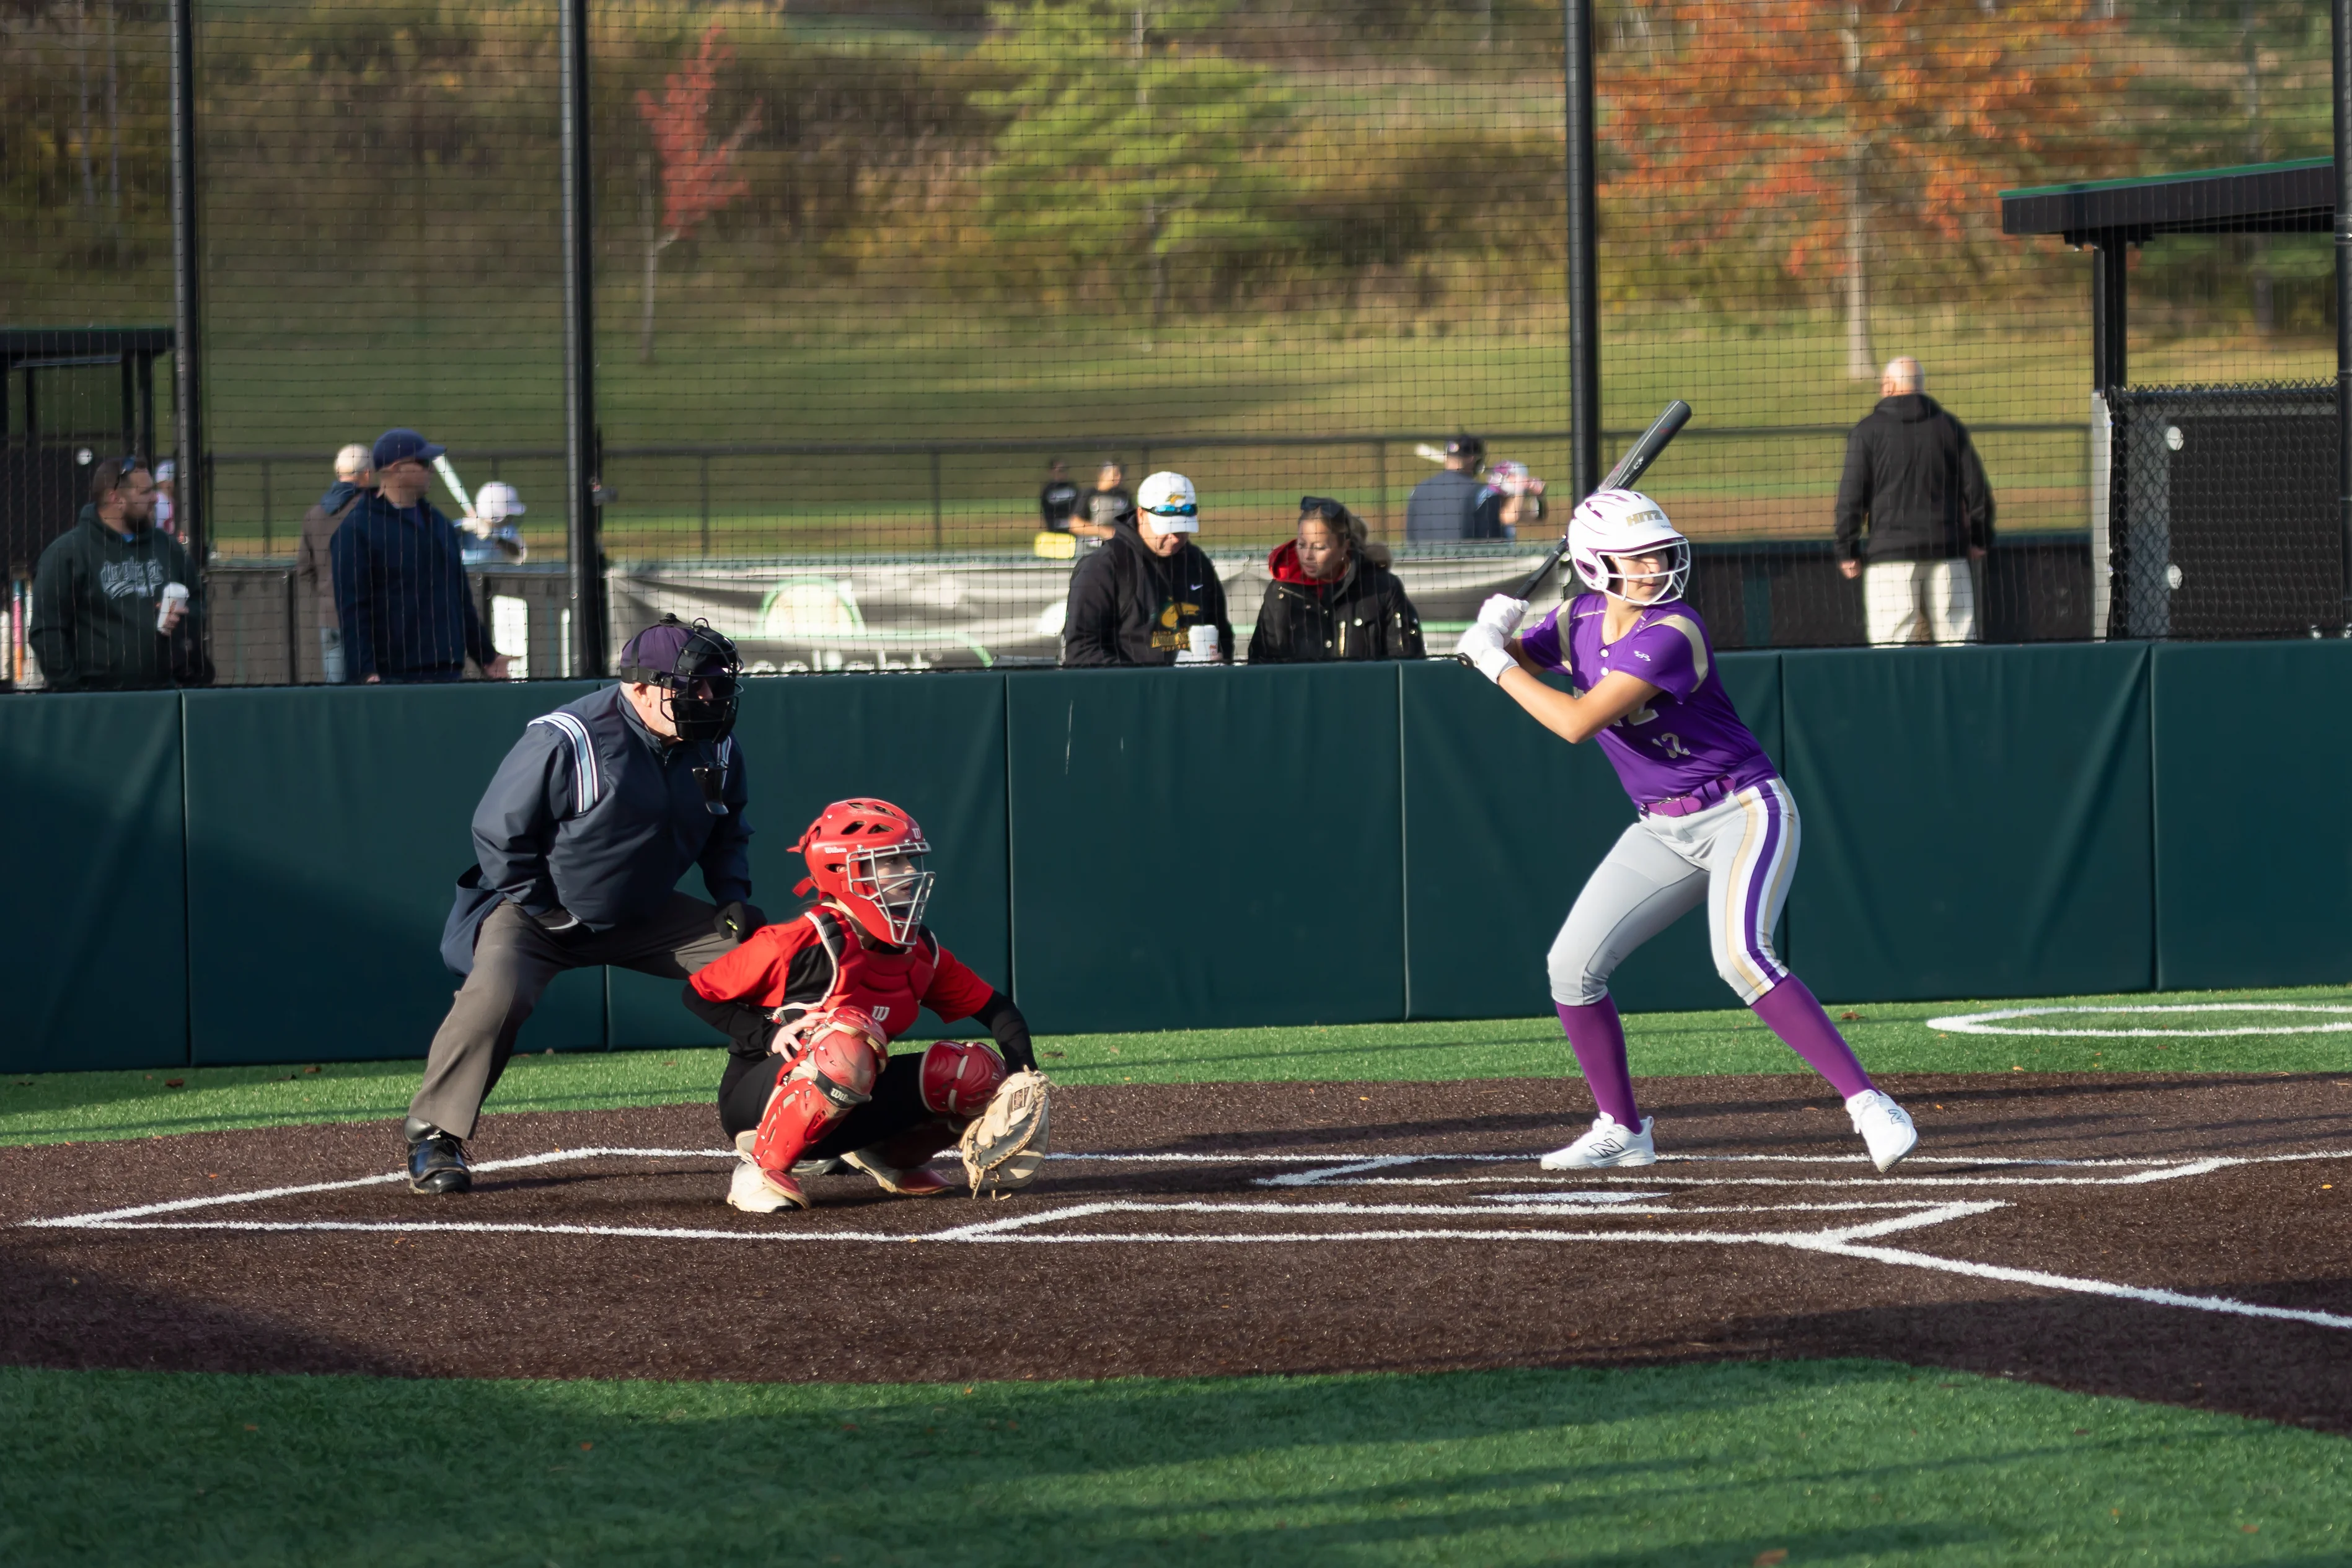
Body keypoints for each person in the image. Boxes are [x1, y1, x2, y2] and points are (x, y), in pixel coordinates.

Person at [1451, 488, 1918, 1174]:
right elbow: (1515, 663)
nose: (1654, 569)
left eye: (1659, 554)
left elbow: (1575, 722)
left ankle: (1870, 1104)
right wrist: (1495, 636)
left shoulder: (1674, 629)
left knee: (1741, 958)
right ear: (1594, 564)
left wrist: (1492, 658)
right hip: (1662, 828)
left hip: (1742, 810)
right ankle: (1622, 1129)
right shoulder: (1578, 616)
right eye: (1637, 558)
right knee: (1570, 968)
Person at [402, 616, 759, 1194]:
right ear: (639, 688)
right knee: (496, 993)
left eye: (715, 684)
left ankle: (789, 1123)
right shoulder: (567, 737)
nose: (708, 697)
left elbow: (727, 830)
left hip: (647, 913)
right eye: (692, 685)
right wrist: (545, 910)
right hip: (538, 913)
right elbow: (498, 835)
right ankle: (435, 1135)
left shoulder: (714, 743)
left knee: (776, 966)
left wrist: (732, 896)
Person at [687, 797, 1039, 1213]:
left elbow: (997, 1010)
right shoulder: (796, 941)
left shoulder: (917, 949)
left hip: (851, 1102)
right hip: (757, 1108)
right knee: (847, 1039)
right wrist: (767, 1034)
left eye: (908, 860)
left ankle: (888, 1155)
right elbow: (698, 994)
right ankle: (761, 1169)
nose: (909, 872)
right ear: (842, 870)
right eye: (891, 861)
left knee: (975, 1072)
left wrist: (1026, 1078)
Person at [1834, 356, 1996, 646]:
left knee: (1893, 646)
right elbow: (1977, 490)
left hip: (1890, 559)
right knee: (1959, 641)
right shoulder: (1949, 427)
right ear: (1921, 386)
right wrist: (1979, 538)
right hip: (1947, 552)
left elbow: (1852, 496)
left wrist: (1847, 549)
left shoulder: (1867, 432)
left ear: (1889, 386)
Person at [331, 428, 509, 683]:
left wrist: (487, 657)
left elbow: (460, 600)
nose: (431, 470)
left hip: (447, 670)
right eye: (424, 463)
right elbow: (354, 610)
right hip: (392, 677)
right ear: (396, 469)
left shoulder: (440, 525)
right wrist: (365, 671)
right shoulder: (357, 530)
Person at [28, 456, 211, 692]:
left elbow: (197, 600)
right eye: (145, 492)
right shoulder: (67, 553)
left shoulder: (168, 547)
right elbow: (47, 631)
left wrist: (185, 617)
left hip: (163, 693)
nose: (155, 498)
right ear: (116, 499)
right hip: (96, 697)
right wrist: (72, 692)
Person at [1059, 470, 1233, 666]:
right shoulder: (1102, 568)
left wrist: (1219, 662)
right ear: (1141, 515)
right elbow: (1081, 652)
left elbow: (1222, 632)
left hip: (1193, 684)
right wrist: (1142, 678)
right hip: (1131, 685)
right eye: (1167, 529)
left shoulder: (1196, 562)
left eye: (1183, 529)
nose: (1175, 538)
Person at [1247, 496, 1425, 663]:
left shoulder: (1383, 589)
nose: (1307, 556)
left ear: (1344, 547)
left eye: (1320, 547)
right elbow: (1261, 664)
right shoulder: (1280, 593)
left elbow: (1407, 663)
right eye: (1301, 545)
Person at [296, 444, 371, 684]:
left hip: (329, 615)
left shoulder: (314, 515)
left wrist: (327, 593)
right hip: (367, 620)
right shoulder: (372, 512)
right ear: (367, 474)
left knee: (336, 691)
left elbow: (304, 569)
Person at [1404, 434, 1487, 543]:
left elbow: (1410, 538)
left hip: (1422, 554)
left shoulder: (1418, 490)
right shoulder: (1481, 492)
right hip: (1465, 554)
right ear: (1473, 459)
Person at [459, 481, 529, 566]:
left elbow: (519, 557)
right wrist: (462, 530)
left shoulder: (508, 530)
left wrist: (494, 537)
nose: (511, 519)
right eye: (509, 516)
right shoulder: (463, 529)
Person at [1472, 460, 1546, 542]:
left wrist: (1538, 496)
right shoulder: (1489, 498)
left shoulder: (1506, 500)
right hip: (1488, 548)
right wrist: (1519, 488)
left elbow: (1536, 517)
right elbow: (1512, 517)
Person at [1072, 459, 1130, 545]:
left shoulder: (1124, 496)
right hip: (1089, 548)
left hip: (1114, 547)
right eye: (1116, 474)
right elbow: (1075, 525)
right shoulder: (1089, 494)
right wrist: (1104, 531)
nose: (1119, 477)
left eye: (1121, 474)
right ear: (1103, 474)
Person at [1038, 459, 1081, 535]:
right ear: (1052, 472)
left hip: (1073, 529)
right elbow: (1045, 511)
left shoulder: (1072, 487)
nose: (1063, 473)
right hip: (1055, 531)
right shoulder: (1048, 490)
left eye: (1065, 470)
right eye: (1060, 470)